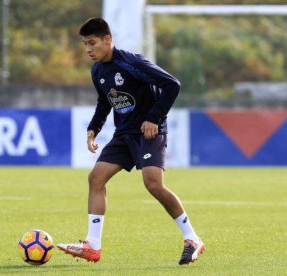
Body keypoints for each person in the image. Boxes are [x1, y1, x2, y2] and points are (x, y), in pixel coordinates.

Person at [57, 17, 204, 265]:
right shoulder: (97, 71)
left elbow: (172, 85)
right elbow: (105, 102)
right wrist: (94, 127)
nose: (88, 49)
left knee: (153, 185)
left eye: (92, 43)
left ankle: (192, 239)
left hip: (148, 132)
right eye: (85, 44)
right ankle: (92, 245)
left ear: (107, 39)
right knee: (95, 178)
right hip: (124, 134)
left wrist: (154, 118)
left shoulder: (131, 62)